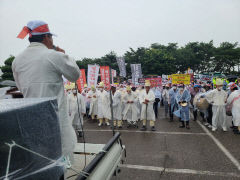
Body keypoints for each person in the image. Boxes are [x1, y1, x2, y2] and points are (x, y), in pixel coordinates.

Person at [12, 20, 80, 159]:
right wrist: (64, 55)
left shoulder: (17, 60)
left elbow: (20, 87)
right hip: (55, 121)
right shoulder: (53, 55)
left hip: (31, 120)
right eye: (51, 37)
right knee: (60, 160)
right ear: (46, 37)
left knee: (40, 160)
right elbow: (74, 75)